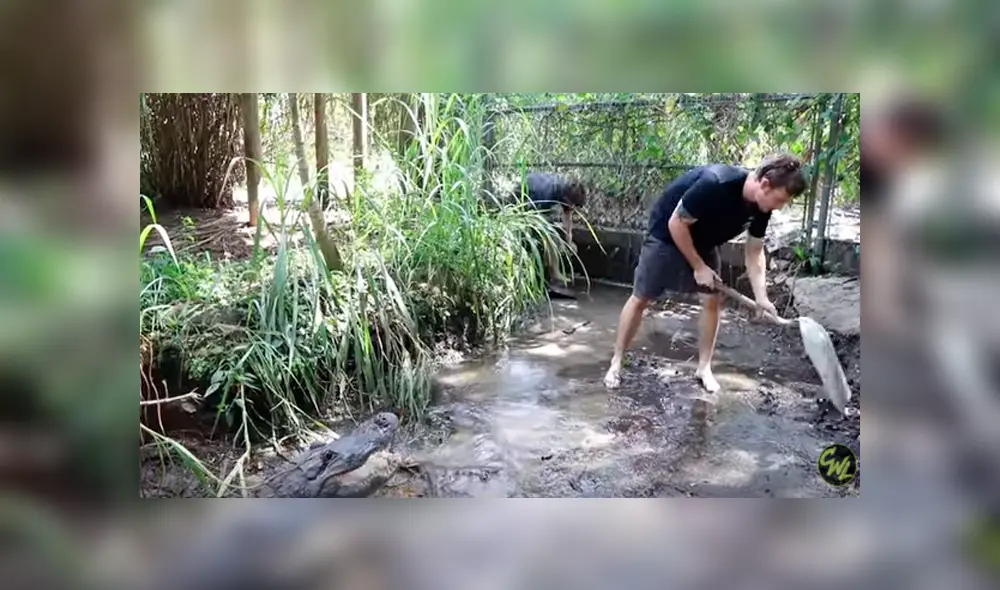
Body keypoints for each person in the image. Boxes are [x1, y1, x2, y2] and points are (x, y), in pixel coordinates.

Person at [603, 154, 807, 392]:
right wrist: (699, 267)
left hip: (704, 241)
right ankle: (617, 360)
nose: (780, 207)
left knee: (712, 300)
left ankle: (704, 367)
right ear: (764, 184)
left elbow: (754, 251)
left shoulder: (762, 206)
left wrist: (761, 297)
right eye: (780, 199)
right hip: (667, 234)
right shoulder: (715, 183)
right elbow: (676, 223)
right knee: (642, 296)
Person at [515, 172, 587, 285]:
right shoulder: (547, 194)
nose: (574, 209)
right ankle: (554, 273)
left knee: (555, 238)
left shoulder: (565, 190)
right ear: (567, 199)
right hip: (524, 197)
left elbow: (567, 214)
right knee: (551, 237)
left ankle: (552, 269)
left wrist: (569, 241)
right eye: (573, 205)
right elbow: (534, 217)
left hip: (535, 197)